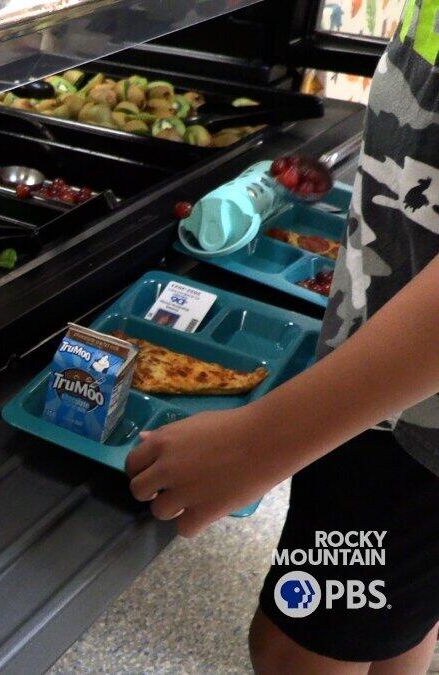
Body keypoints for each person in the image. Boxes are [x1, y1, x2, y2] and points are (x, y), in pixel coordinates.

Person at [125, 2, 439, 671]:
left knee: (296, 650)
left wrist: (259, 442)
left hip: (413, 428)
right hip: (387, 387)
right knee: (394, 624)